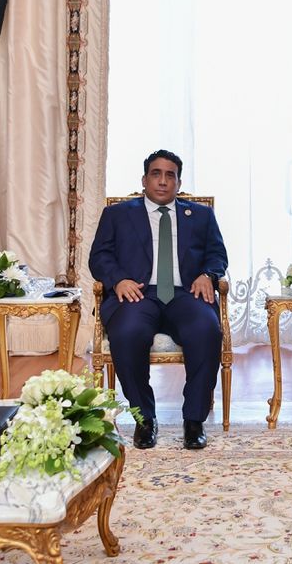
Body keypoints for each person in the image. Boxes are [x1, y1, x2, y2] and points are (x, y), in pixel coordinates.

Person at [88, 150, 228, 450]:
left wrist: (207, 274)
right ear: (144, 180)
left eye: (170, 175)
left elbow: (217, 254)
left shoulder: (200, 215)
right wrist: (118, 280)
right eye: (156, 174)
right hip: (138, 293)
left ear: (178, 182)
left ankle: (194, 420)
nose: (163, 181)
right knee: (127, 333)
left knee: (206, 330)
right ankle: (145, 419)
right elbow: (99, 257)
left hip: (186, 293)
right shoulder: (117, 214)